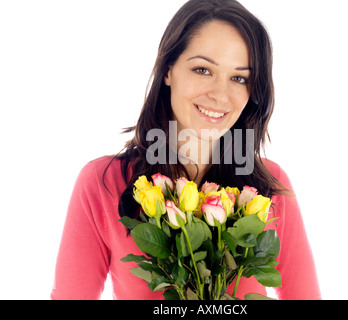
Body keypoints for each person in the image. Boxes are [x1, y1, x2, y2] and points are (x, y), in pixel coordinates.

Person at [51, 0, 321, 300]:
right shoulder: (103, 182)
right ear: (168, 71)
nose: (220, 95)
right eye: (203, 69)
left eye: (239, 77)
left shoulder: (266, 186)